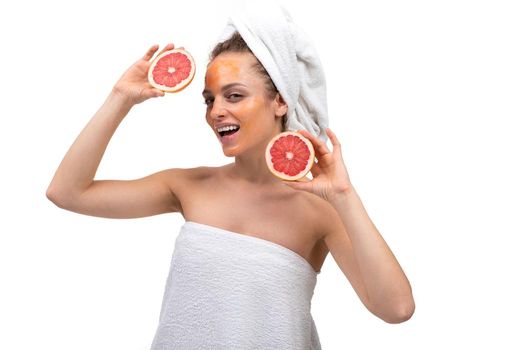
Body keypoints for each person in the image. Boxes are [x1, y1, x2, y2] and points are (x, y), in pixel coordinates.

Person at [45, 7, 414, 349]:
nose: (217, 111)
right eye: (209, 100)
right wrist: (120, 97)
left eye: (234, 96)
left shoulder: (321, 209)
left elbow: (396, 308)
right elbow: (67, 192)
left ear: (280, 102)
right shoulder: (187, 186)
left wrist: (345, 195)